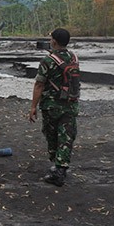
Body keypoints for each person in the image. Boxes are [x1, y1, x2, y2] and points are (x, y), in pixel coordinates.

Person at [29, 28, 80, 187]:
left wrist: (33, 107)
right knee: (66, 136)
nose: (50, 40)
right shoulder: (74, 58)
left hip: (52, 106)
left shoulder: (48, 61)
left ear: (54, 42)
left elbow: (39, 84)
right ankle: (60, 166)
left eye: (51, 38)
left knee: (52, 134)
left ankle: (58, 168)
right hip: (71, 104)